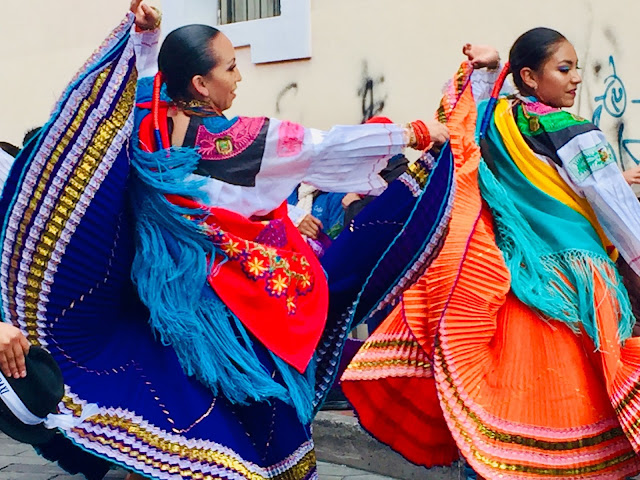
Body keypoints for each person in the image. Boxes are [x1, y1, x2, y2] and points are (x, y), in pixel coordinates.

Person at [0, 2, 454, 479]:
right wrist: (418, 133)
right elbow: (324, 146)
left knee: (179, 403)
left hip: (160, 299)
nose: (238, 78)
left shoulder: (150, 123)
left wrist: (146, 38)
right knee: (260, 390)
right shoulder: (235, 138)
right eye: (231, 67)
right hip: (222, 305)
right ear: (200, 83)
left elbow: (140, 82)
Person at [342, 28, 640, 479]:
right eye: (565, 68)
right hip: (575, 288)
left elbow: (459, 126)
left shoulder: (495, 122)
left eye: (576, 67)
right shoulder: (577, 134)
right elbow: (617, 209)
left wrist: (485, 68)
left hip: (511, 278)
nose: (576, 78)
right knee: (576, 397)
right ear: (529, 77)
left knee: (502, 392)